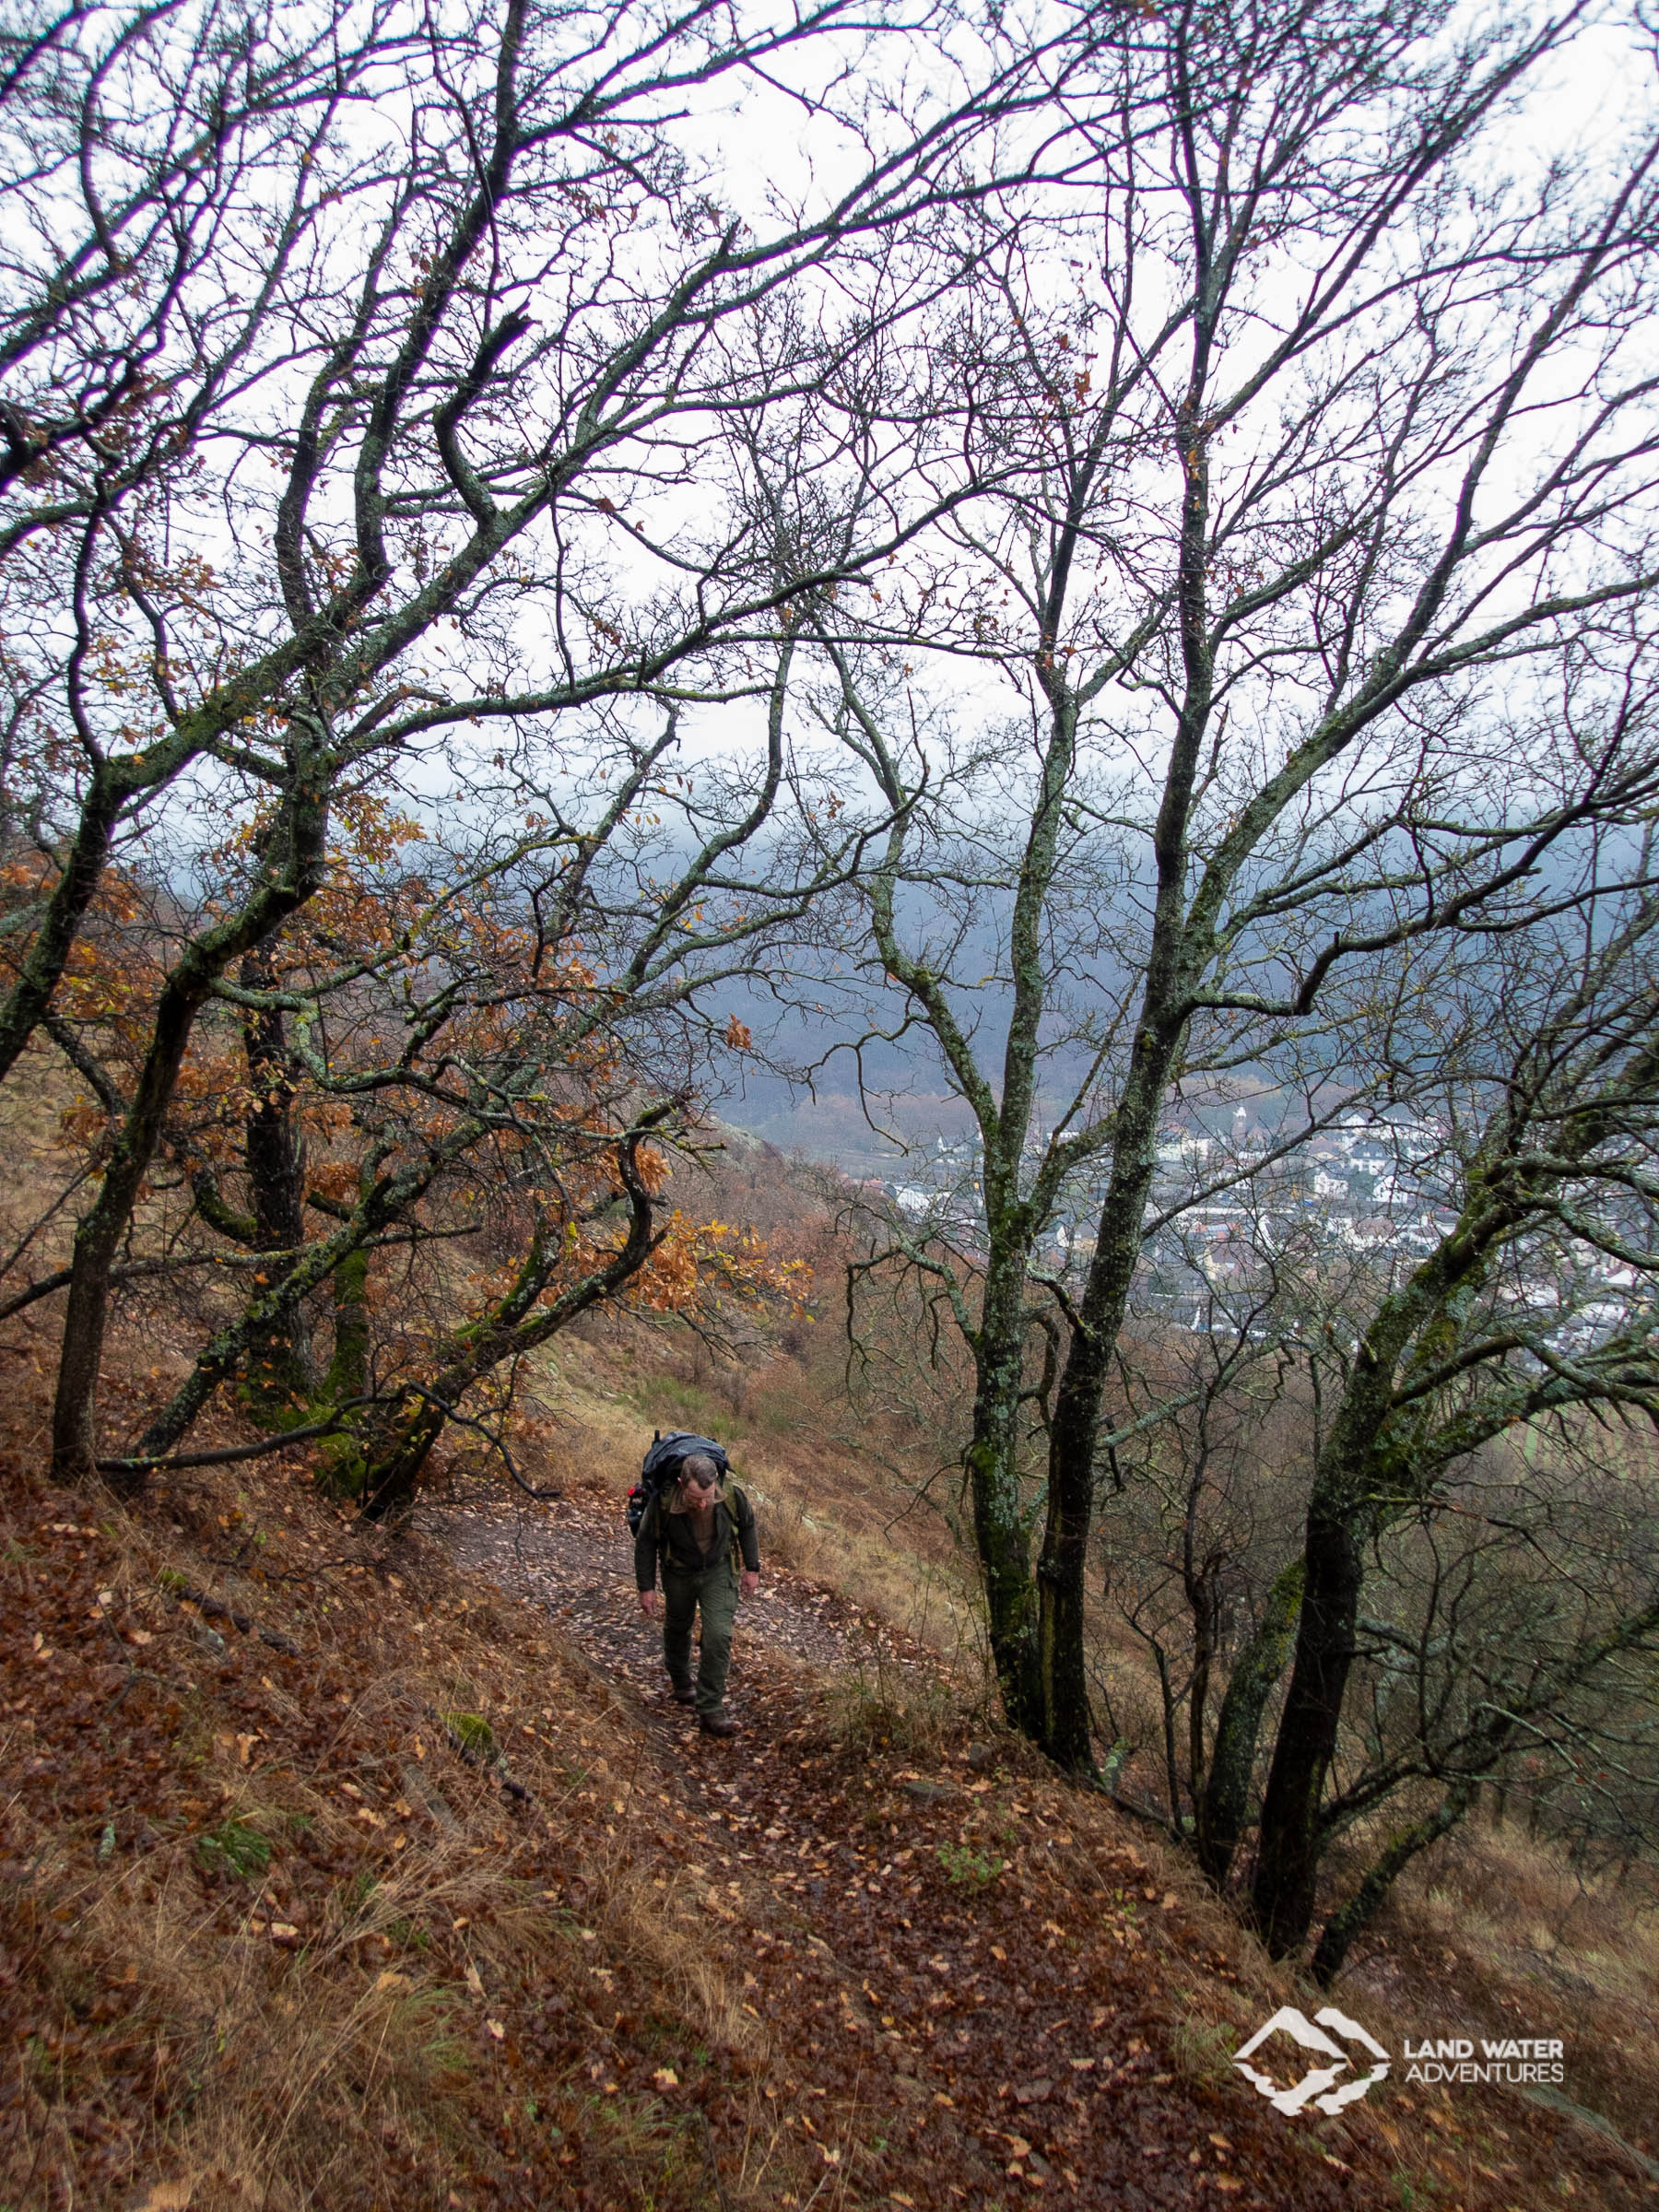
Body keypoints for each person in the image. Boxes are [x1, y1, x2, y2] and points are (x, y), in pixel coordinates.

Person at [635, 1451, 759, 1737]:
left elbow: (748, 1525)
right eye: (695, 1498)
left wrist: (752, 1568)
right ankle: (680, 1681)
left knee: (718, 1635)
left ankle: (711, 1709)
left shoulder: (729, 1495)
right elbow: (646, 1542)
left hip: (718, 1571)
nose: (703, 1504)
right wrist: (646, 1587)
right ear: (681, 1483)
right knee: (678, 1626)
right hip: (678, 1571)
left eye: (708, 1497)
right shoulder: (663, 1503)